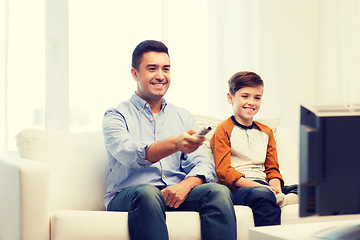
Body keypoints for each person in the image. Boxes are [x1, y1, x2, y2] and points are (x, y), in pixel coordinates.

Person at [102, 40, 237, 240]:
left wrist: (186, 185)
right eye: (152, 68)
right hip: (131, 196)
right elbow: (130, 153)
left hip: (174, 194)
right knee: (148, 193)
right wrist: (174, 144)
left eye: (166, 69)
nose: (161, 75)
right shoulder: (115, 115)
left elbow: (203, 163)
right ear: (135, 74)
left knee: (218, 192)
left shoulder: (182, 116)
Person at [210, 71, 298, 227]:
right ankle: (273, 199)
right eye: (245, 96)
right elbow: (224, 172)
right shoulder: (223, 129)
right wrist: (263, 188)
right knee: (263, 194)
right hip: (238, 188)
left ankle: (278, 195)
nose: (251, 102)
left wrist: (275, 186)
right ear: (230, 98)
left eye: (257, 97)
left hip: (264, 183)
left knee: (310, 190)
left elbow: (272, 169)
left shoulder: (267, 132)